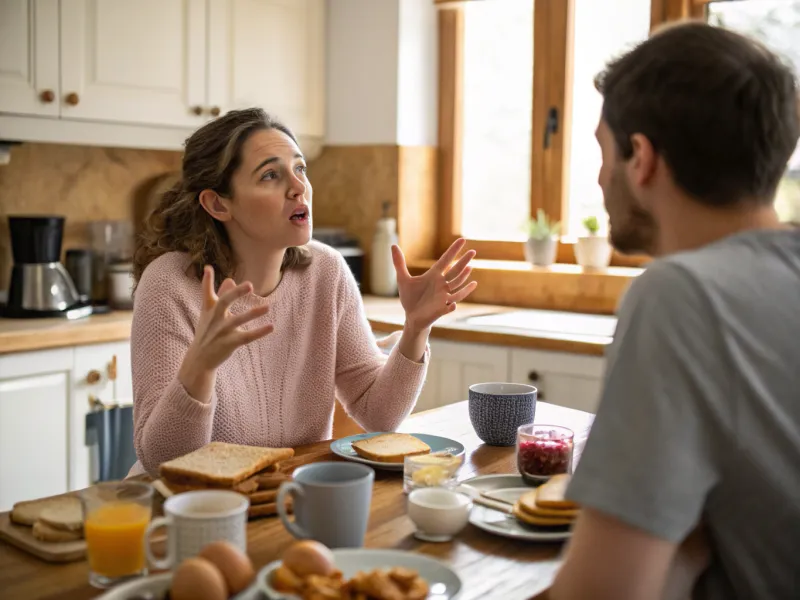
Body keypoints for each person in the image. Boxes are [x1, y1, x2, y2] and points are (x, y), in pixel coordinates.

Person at [533, 22, 800, 600]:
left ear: (642, 159)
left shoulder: (682, 294)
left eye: (603, 152)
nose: (600, 177)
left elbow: (603, 594)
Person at [128, 108, 478, 477]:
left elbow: (379, 413)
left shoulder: (325, 272)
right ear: (218, 203)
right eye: (270, 175)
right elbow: (162, 460)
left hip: (291, 497)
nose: (298, 188)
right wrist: (200, 368)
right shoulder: (170, 284)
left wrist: (416, 329)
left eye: (300, 169)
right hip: (189, 509)